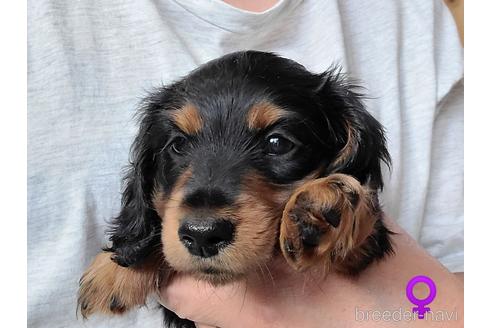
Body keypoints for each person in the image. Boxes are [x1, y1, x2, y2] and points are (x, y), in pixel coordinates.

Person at [27, 0, 463, 327]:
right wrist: (135, 249)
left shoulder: (410, 14)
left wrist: (398, 307)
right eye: (180, 145)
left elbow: (451, 297)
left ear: (347, 148)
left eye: (277, 142)